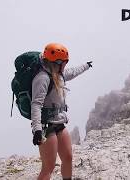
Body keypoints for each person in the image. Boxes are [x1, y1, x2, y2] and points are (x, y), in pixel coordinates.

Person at [31, 43, 92, 180]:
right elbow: (35, 104)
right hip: (46, 126)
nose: (66, 64)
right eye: (65, 61)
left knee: (68, 157)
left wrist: (86, 66)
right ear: (57, 62)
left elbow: (73, 72)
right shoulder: (42, 78)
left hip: (59, 122)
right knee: (48, 167)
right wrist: (37, 130)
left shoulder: (58, 74)